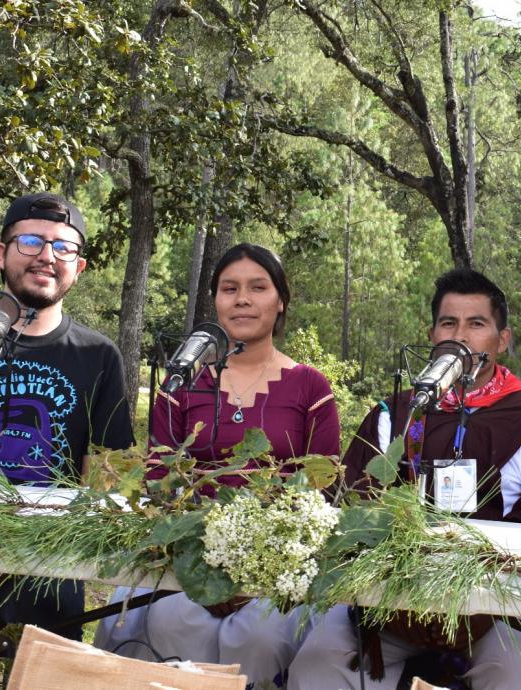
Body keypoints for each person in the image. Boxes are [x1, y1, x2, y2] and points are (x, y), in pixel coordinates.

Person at [287, 268, 521, 690]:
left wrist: (478, 596)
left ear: (502, 340)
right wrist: (393, 590)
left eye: (476, 324)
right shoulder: (396, 413)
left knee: (514, 676)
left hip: (488, 610)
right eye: (448, 323)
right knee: (316, 667)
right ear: (432, 335)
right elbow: (355, 508)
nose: (460, 336)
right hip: (389, 606)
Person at [94, 243, 341, 689]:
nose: (242, 299)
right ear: (216, 302)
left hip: (278, 566)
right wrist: (200, 571)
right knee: (168, 621)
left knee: (260, 638)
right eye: (230, 289)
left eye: (258, 288)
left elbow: (321, 490)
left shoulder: (310, 387)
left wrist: (255, 569)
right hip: (187, 560)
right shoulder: (181, 385)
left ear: (281, 301)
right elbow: (160, 482)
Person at [0, 192, 134, 655]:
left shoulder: (98, 356)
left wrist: (26, 546)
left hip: (48, 561)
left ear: (78, 268)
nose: (47, 256)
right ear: (1, 253)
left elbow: (104, 477)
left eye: (63, 247)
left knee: (48, 671)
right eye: (31, 242)